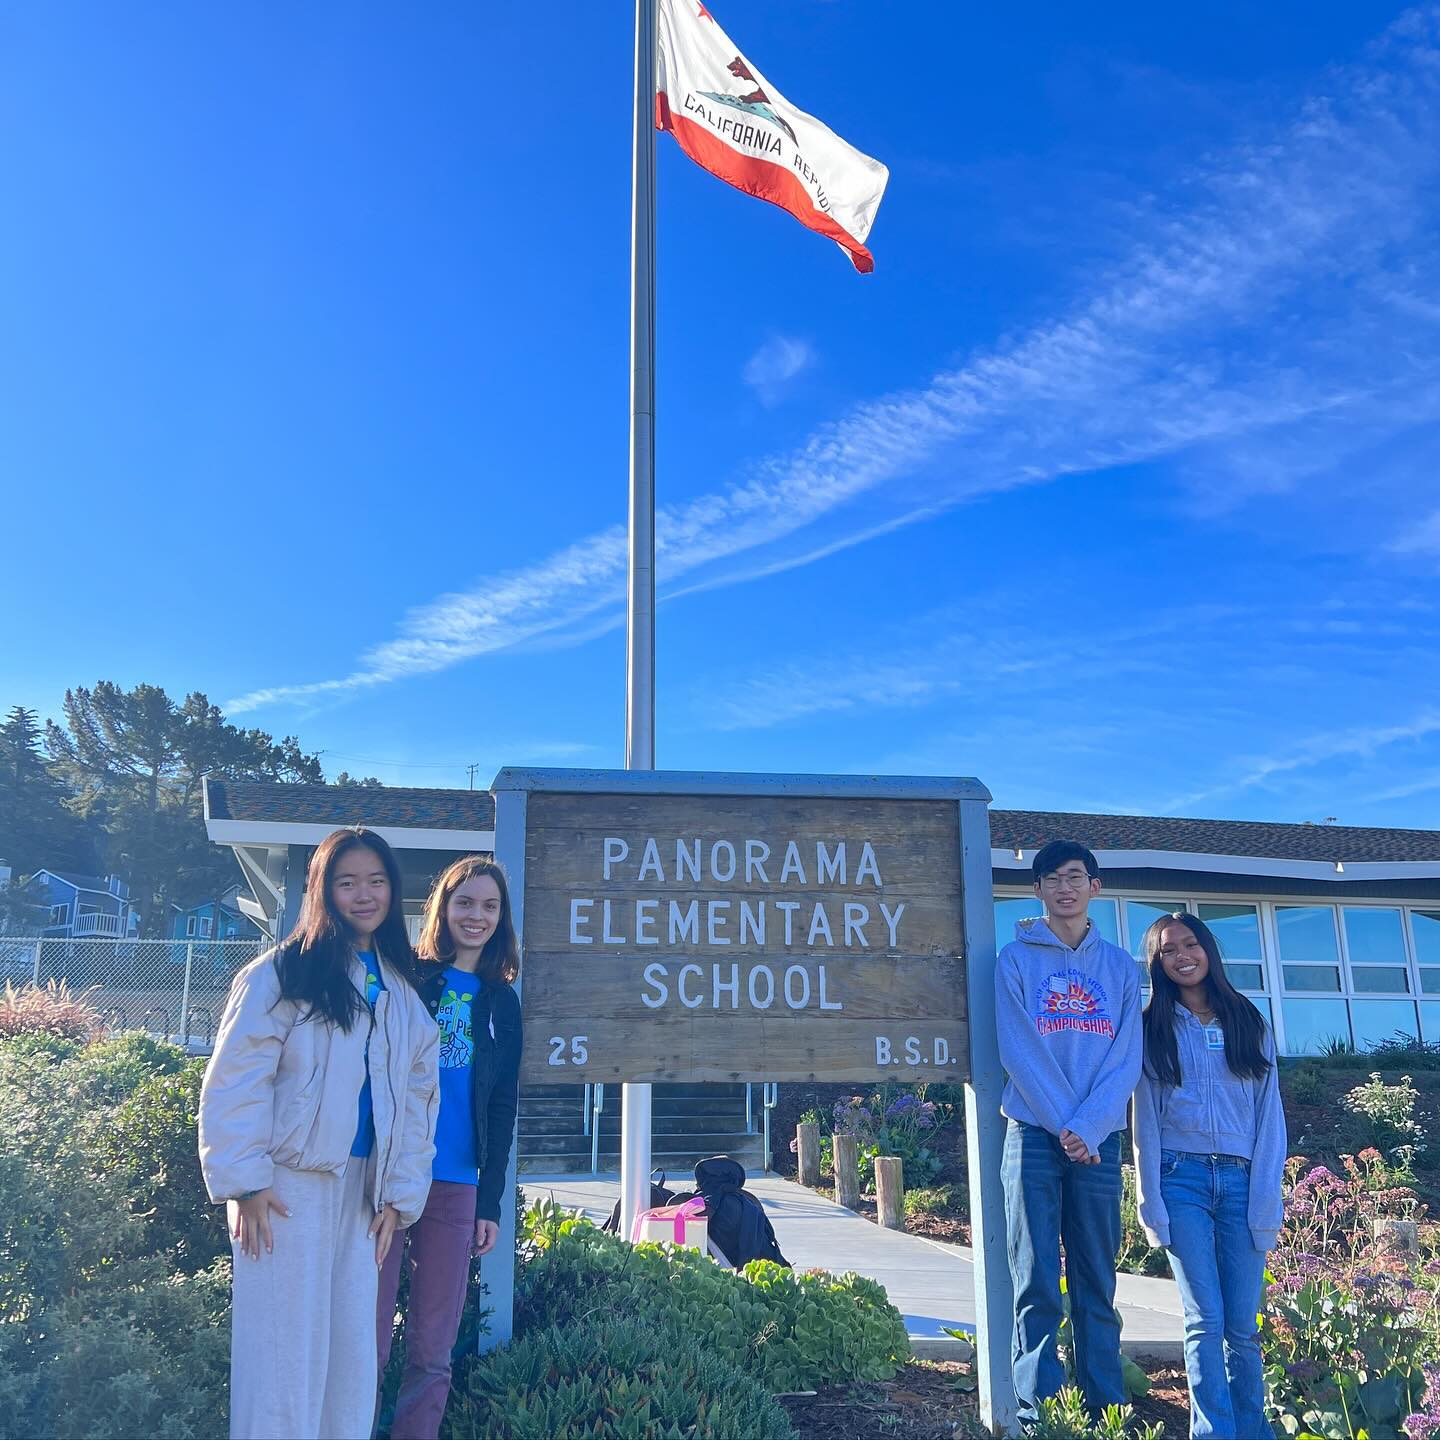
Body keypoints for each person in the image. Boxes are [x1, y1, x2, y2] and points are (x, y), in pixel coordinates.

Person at [198, 827, 439, 1440]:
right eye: (347, 881)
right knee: (282, 1355)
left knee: (350, 1358)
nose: (364, 895)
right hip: (285, 1188)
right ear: (322, 890)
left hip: (362, 1197)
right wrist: (244, 1181)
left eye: (376, 881)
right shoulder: (284, 972)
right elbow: (236, 1078)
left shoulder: (404, 992)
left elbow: (417, 1104)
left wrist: (401, 1197)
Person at [995, 840, 1143, 1424]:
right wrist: (1065, 1126)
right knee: (1034, 1277)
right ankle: (1043, 1412)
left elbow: (1126, 1055)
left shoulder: (1121, 968)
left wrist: (1089, 1127)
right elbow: (1017, 1048)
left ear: (1094, 888)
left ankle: (1105, 1407)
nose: (1065, 887)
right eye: (1052, 879)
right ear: (1037, 891)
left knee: (1095, 1276)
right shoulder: (1015, 959)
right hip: (1033, 1135)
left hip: (1098, 1141)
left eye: (1076, 877)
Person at [376, 854, 523, 1440]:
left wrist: (489, 1202)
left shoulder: (501, 1001)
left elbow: (502, 1104)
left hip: (458, 1184)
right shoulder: (409, 978)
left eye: (490, 906)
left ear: (501, 917)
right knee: (369, 1331)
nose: (476, 915)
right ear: (443, 907)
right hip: (388, 1178)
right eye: (465, 902)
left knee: (433, 1347)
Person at [1133, 912, 1285, 1440]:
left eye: (1190, 944)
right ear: (1158, 964)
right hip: (1181, 1180)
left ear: (1208, 950)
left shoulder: (1247, 1020)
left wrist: (1268, 1198)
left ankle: (1253, 1430)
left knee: (1242, 1327)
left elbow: (1271, 1119)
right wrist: (1148, 1198)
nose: (1182, 956)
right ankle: (1213, 1433)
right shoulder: (1149, 1026)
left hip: (1243, 1182)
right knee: (1204, 1320)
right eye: (1168, 951)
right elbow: (1145, 1121)